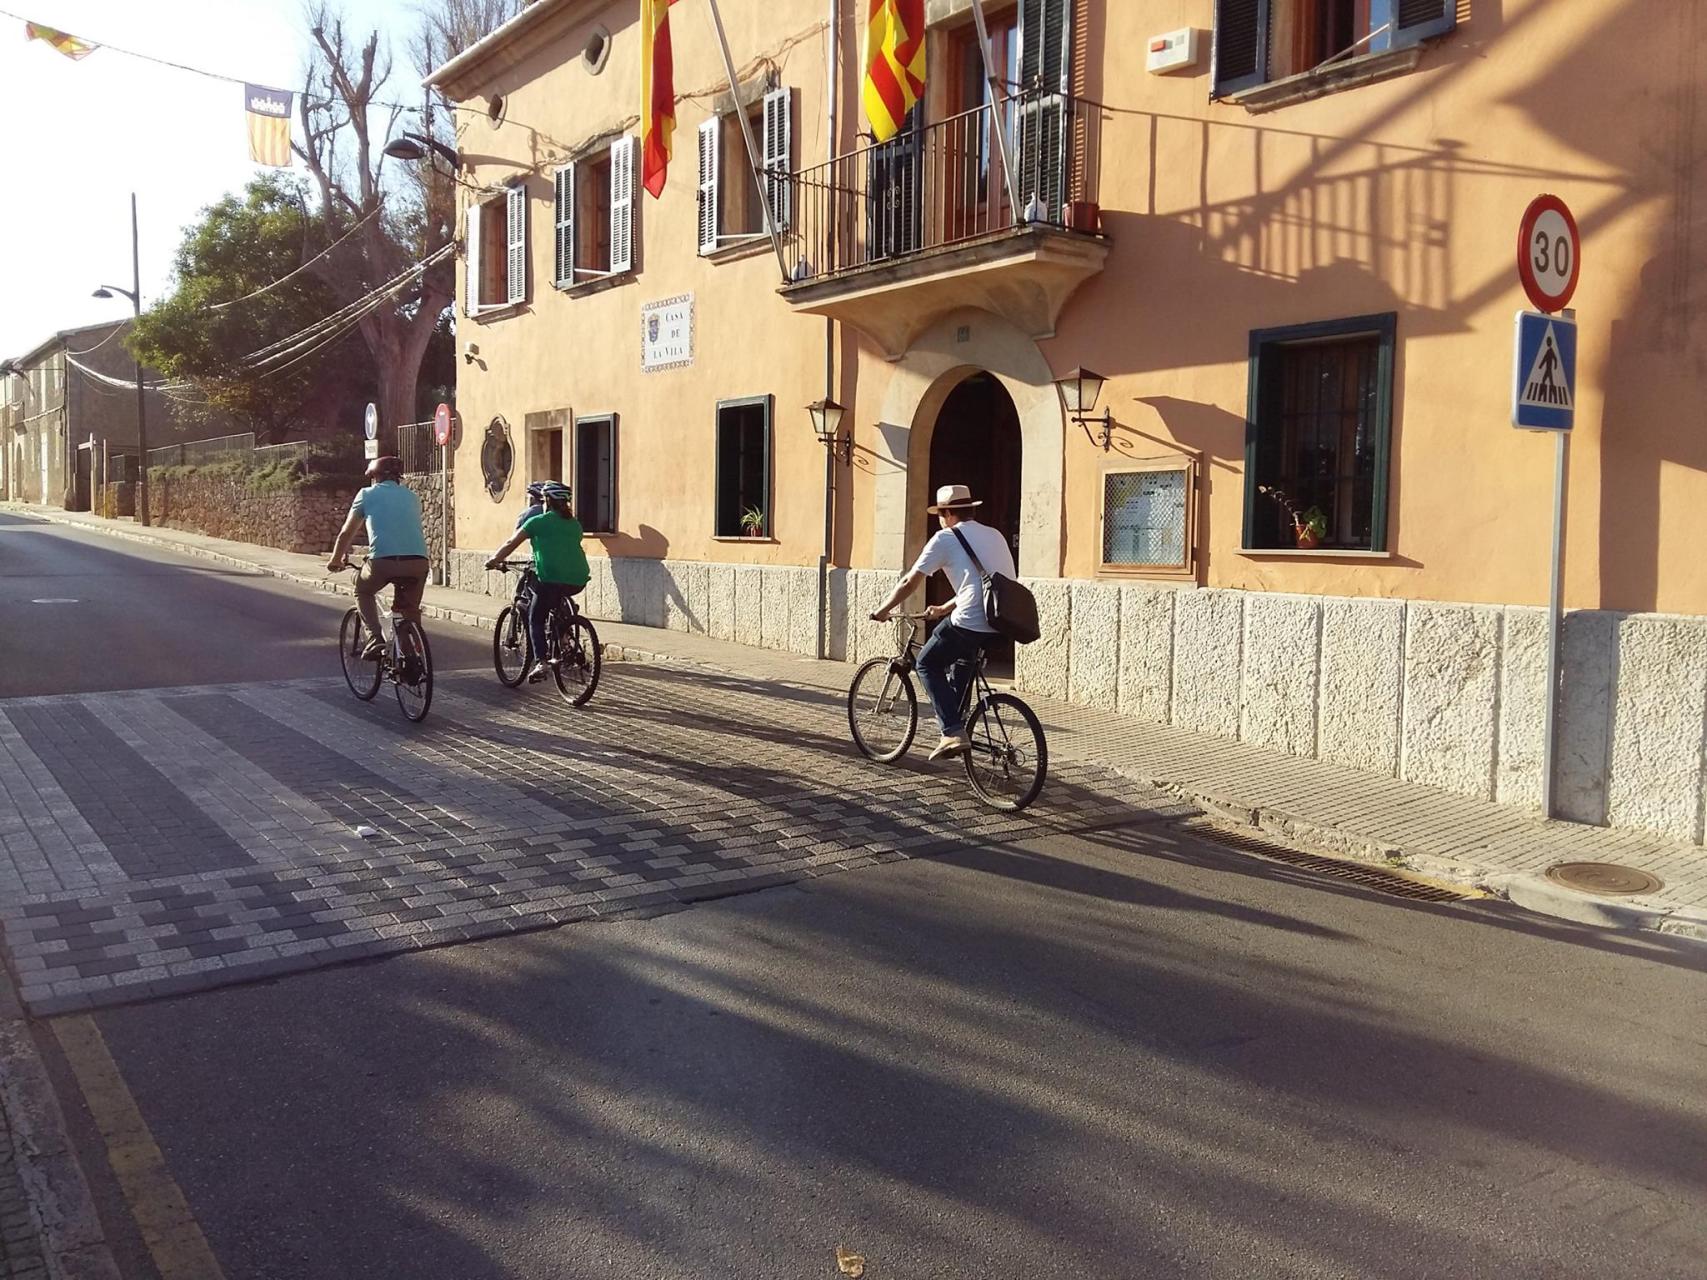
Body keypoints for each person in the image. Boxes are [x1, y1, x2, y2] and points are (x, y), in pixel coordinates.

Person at [871, 484, 1017, 761]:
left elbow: (909, 581)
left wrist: (883, 609)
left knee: (926, 663)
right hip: (1001, 621)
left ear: (948, 513)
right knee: (963, 661)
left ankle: (951, 731)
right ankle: (959, 721)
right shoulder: (994, 534)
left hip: (971, 620)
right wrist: (944, 607)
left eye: (940, 513)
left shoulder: (945, 538)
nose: (939, 519)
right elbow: (982, 584)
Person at [327, 456, 430, 661]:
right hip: (418, 562)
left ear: (374, 477)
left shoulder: (366, 494)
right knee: (408, 610)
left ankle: (375, 638)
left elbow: (346, 533)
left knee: (362, 590)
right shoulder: (412, 496)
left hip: (383, 562)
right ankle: (412, 655)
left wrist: (335, 560)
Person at [485, 481, 590, 682]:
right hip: (578, 580)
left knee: (535, 618)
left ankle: (541, 662)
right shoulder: (575, 524)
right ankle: (564, 638)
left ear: (547, 501)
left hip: (549, 578)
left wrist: (494, 560)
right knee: (557, 604)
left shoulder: (537, 522)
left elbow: (511, 543)